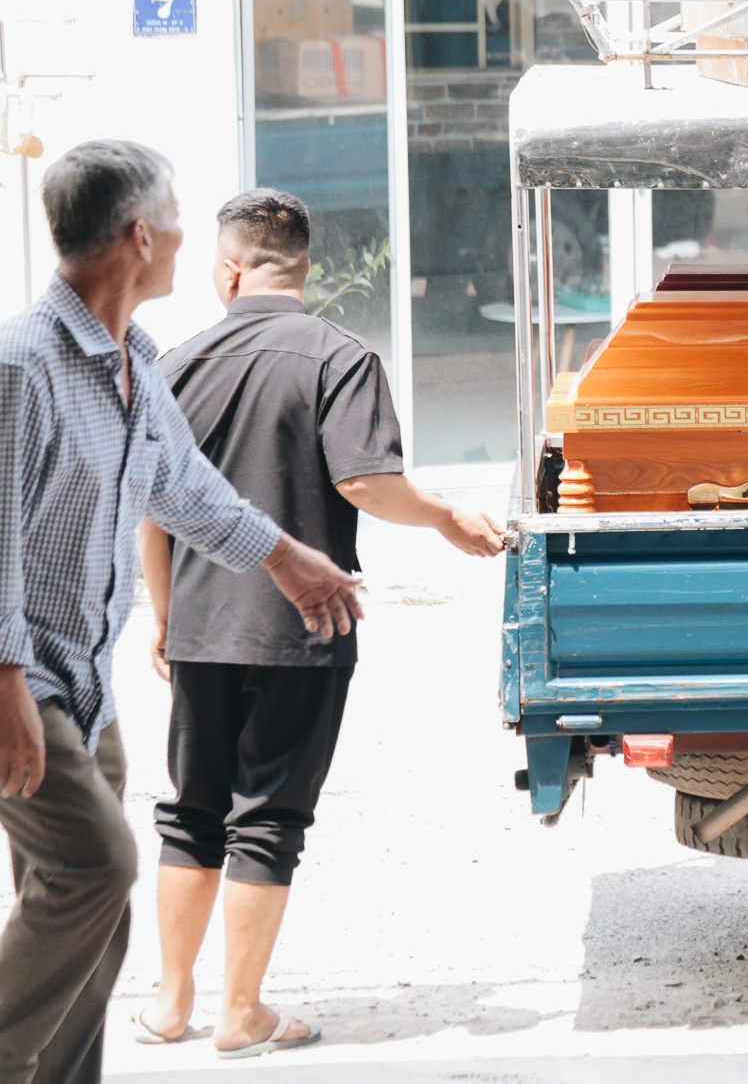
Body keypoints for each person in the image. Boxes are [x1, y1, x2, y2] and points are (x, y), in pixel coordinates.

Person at [0, 142, 363, 1084]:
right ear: (140, 234)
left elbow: (187, 492)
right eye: (175, 213)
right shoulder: (14, 365)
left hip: (80, 677)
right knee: (99, 866)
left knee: (87, 908)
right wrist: (4, 691)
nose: (186, 230)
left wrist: (294, 562)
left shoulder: (136, 359)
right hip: (0, 674)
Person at [134, 189, 505, 1058]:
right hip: (306, 626)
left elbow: (149, 505)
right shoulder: (341, 355)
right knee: (266, 816)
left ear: (229, 269)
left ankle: (171, 1004)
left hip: (199, 623)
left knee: (190, 809)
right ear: (304, 268)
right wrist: (448, 518)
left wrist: (162, 611)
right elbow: (366, 483)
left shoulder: (175, 362)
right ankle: (242, 1013)